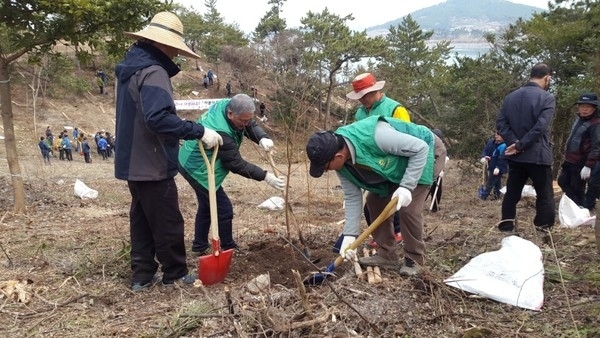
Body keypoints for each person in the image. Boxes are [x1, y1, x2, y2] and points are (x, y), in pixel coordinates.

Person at [114, 11, 223, 292]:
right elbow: (158, 118)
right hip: (151, 160)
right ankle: (174, 273)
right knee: (167, 220)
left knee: (141, 218)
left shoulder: (130, 68)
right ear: (166, 44)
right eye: (176, 47)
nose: (177, 53)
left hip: (132, 160)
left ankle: (142, 274)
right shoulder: (154, 71)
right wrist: (198, 131)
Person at [307, 115, 441, 276]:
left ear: (338, 156)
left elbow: (420, 148)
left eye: (325, 167)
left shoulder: (378, 136)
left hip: (427, 152)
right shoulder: (341, 165)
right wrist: (350, 235)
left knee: (408, 209)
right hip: (396, 165)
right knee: (374, 201)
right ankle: (387, 254)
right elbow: (352, 196)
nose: (326, 170)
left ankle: (415, 258)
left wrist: (406, 187)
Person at [178, 94, 285, 255]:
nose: (246, 123)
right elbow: (236, 164)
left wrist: (262, 137)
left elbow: (248, 123)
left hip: (189, 160)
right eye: (242, 120)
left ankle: (199, 246)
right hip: (196, 167)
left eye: (248, 119)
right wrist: (266, 176)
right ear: (230, 114)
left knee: (207, 205)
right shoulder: (221, 132)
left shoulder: (229, 105)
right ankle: (228, 247)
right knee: (224, 208)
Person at [346, 72, 411, 238]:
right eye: (359, 97)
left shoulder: (395, 109)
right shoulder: (360, 114)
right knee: (372, 204)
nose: (361, 100)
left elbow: (408, 139)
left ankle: (397, 233)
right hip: (374, 165)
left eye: (364, 96)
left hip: (395, 164)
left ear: (374, 91)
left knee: (392, 202)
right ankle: (381, 237)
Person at [496, 63, 555, 233]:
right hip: (537, 155)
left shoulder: (511, 97)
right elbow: (541, 127)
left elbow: (501, 123)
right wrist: (520, 144)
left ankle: (507, 224)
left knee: (512, 192)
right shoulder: (547, 98)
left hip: (517, 157)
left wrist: (514, 143)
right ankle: (543, 229)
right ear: (547, 78)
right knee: (544, 194)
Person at [557, 93, 600, 208]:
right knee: (562, 181)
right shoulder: (579, 119)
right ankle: (576, 205)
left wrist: (588, 165)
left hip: (582, 161)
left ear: (594, 107)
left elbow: (597, 146)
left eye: (588, 106)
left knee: (578, 187)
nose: (584, 109)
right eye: (582, 106)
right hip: (571, 159)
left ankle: (580, 208)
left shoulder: (596, 123)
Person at [479, 131, 508, 200]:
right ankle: (497, 196)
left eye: (499, 134)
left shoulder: (505, 145)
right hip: (491, 165)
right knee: (497, 182)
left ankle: (483, 197)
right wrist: (484, 156)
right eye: (496, 134)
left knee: (490, 182)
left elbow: (503, 157)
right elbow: (486, 150)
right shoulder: (491, 142)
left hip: (499, 167)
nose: (496, 135)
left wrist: (498, 167)